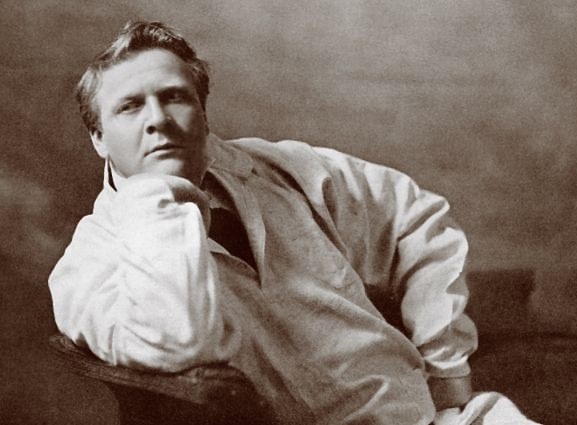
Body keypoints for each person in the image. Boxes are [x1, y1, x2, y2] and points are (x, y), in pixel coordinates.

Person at [49, 21, 536, 425]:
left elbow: (418, 218)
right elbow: (178, 337)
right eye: (130, 107)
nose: (158, 119)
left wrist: (446, 373)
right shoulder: (90, 264)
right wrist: (156, 192)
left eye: (175, 97)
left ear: (203, 114)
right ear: (99, 138)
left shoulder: (279, 169)